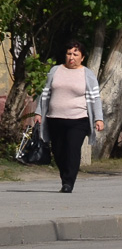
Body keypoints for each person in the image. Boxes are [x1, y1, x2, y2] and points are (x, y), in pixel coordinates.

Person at [32, 41, 104, 193]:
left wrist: (99, 118)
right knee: (58, 152)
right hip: (54, 118)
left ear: (82, 57)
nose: (71, 57)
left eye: (75, 54)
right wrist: (39, 112)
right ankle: (65, 176)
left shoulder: (87, 74)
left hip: (78, 120)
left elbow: (95, 98)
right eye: (69, 54)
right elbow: (44, 94)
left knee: (72, 149)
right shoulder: (55, 70)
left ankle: (68, 182)